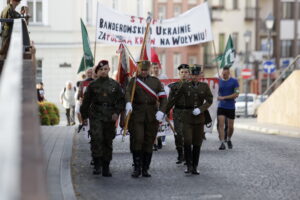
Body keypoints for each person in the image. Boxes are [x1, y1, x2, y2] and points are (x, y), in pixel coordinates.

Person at [80, 60, 124, 176]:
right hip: (96, 115)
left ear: (109, 70)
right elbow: (86, 102)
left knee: (107, 141)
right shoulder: (92, 85)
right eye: (101, 70)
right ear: (97, 72)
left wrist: (117, 112)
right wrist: (84, 117)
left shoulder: (115, 85)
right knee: (97, 138)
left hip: (110, 116)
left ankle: (106, 166)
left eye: (105, 69)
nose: (103, 71)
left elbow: (121, 101)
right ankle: (97, 164)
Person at [167, 65, 213, 175]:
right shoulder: (184, 86)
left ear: (200, 75)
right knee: (187, 141)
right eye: (193, 75)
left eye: (197, 75)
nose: (195, 77)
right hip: (186, 118)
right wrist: (163, 111)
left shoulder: (204, 86)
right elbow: (173, 100)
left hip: (199, 118)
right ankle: (188, 165)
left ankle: (195, 166)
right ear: (190, 75)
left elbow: (209, 100)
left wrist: (201, 109)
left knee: (197, 143)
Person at [125, 60, 167, 178]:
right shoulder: (133, 81)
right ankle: (137, 167)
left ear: (149, 70)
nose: (143, 72)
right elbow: (127, 93)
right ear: (138, 69)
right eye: (141, 70)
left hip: (152, 115)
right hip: (137, 114)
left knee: (149, 141)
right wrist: (128, 103)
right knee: (138, 139)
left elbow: (163, 98)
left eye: (145, 70)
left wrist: (161, 111)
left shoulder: (155, 82)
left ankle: (145, 168)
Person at [165, 64, 190, 164]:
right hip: (178, 113)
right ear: (179, 74)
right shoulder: (174, 87)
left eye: (186, 72)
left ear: (189, 74)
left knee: (188, 136)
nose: (184, 74)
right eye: (182, 72)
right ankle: (180, 154)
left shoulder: (193, 86)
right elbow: (170, 101)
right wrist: (165, 112)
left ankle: (188, 156)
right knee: (178, 134)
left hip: (190, 113)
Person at [217, 67, 239, 150]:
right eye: (223, 74)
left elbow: (236, 94)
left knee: (230, 127)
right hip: (221, 106)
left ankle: (229, 139)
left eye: (225, 74)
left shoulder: (234, 81)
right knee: (221, 125)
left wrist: (224, 97)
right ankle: (222, 142)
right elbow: (214, 91)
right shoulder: (219, 81)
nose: (224, 75)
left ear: (229, 73)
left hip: (230, 107)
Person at [150, 61, 168, 150]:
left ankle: (160, 138)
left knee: (161, 122)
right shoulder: (150, 78)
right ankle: (155, 142)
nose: (156, 69)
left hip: (162, 102)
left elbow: (167, 90)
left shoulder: (163, 77)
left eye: (157, 68)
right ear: (151, 69)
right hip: (153, 103)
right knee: (154, 122)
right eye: (154, 68)